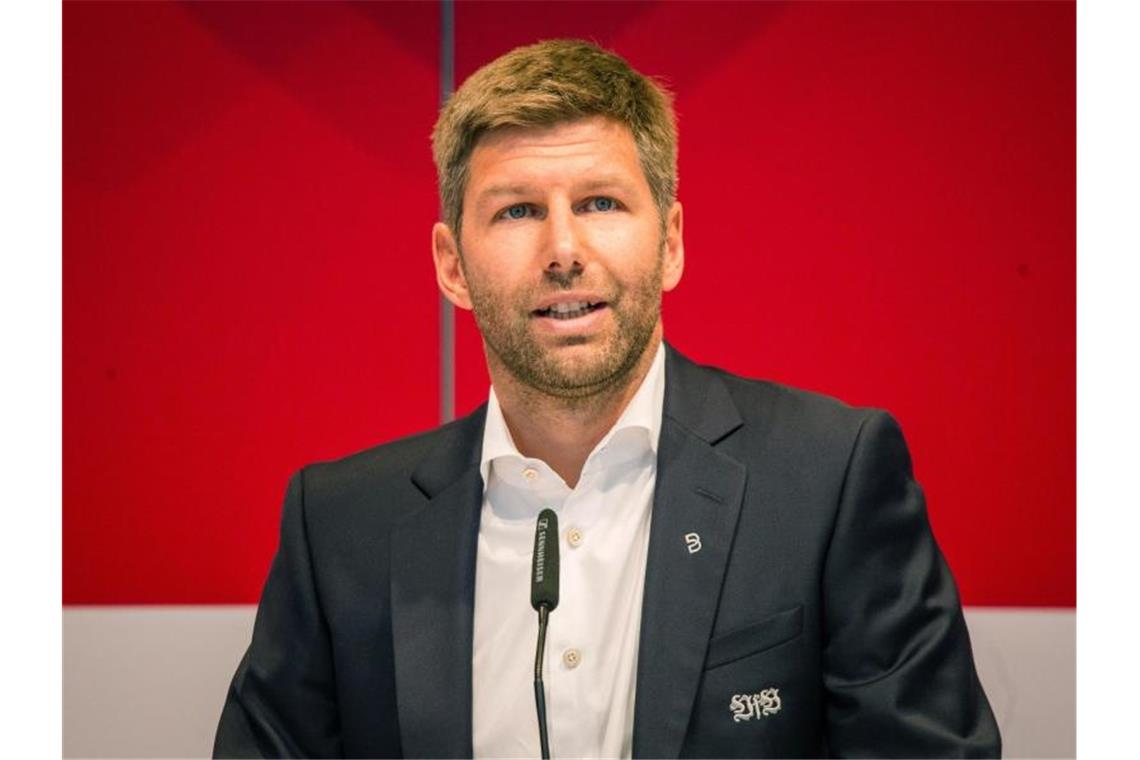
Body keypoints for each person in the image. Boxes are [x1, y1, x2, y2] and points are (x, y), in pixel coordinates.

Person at [214, 39, 1000, 759]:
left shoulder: (827, 480)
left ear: (670, 242)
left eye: (600, 203)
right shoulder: (341, 527)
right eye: (517, 210)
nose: (564, 251)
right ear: (453, 266)